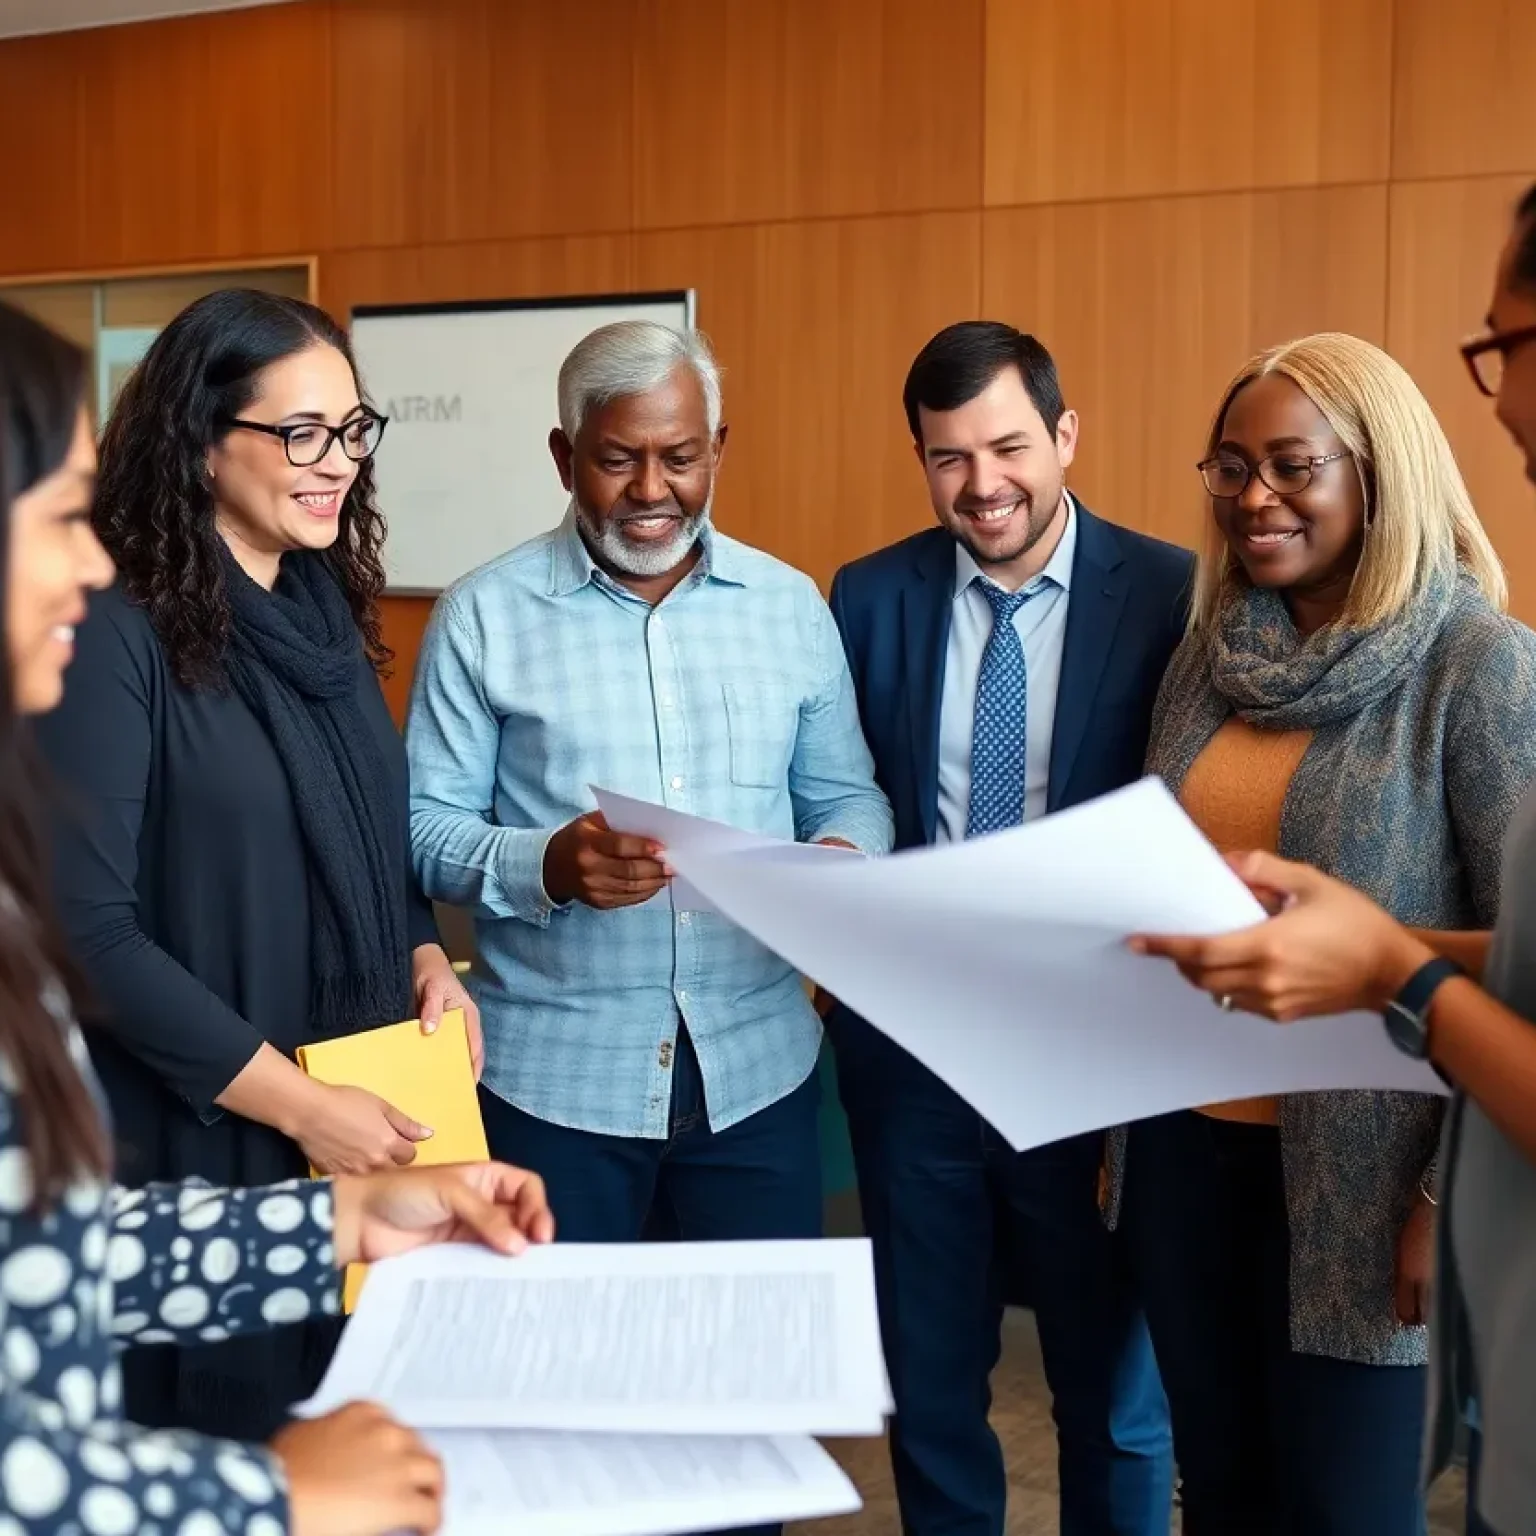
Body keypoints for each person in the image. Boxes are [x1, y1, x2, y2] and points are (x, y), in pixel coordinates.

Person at [0, 294, 555, 1536]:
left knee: (363, 1442)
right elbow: (87, 929)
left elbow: (371, 843)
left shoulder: (322, 612)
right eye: (301, 433)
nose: (338, 462)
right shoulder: (114, 634)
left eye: (353, 429)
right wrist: (302, 1107)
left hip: (358, 1112)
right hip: (215, 1116)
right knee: (242, 1429)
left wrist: (426, 953)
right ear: (203, 440)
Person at [1133, 186, 1536, 1536]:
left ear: (1379, 472)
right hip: (1193, 1158)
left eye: (1293, 465)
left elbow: (1521, 960)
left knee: (1348, 1512)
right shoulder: (1205, 658)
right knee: (1224, 1497)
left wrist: (1439, 1198)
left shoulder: (1476, 670)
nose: (1255, 495)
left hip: (1374, 1188)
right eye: (1231, 465)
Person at [407, 320, 893, 1251]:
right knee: (566, 1386)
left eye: (679, 457)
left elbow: (848, 796)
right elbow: (424, 828)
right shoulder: (482, 616)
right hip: (553, 1087)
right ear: (563, 457)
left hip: (758, 1076)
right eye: (617, 459)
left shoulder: (789, 606)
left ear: (718, 448)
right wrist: (547, 863)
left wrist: (840, 858)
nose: (651, 490)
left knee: (755, 1382)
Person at [823, 321, 1183, 1536]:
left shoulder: (1175, 595)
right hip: (913, 1057)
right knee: (929, 1388)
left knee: (1112, 1401)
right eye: (947, 458)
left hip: (1090, 1059)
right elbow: (847, 792)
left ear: (1067, 435)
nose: (983, 486)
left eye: (1010, 446)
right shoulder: (869, 596)